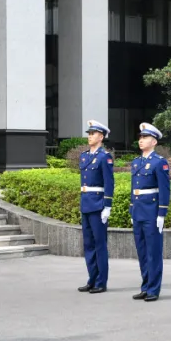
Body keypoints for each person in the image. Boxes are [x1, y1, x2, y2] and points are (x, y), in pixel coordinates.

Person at [130, 123, 171, 302]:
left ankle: (154, 289)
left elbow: (164, 189)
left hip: (151, 211)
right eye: (140, 137)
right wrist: (132, 209)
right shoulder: (136, 162)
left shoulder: (159, 162)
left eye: (145, 137)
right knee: (142, 251)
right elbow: (134, 189)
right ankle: (145, 286)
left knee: (153, 251)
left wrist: (162, 213)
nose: (141, 140)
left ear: (154, 142)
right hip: (138, 211)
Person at [77, 120, 114, 294]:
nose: (90, 136)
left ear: (101, 137)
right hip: (86, 203)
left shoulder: (104, 157)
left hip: (98, 205)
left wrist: (107, 206)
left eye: (93, 134)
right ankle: (92, 278)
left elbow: (109, 182)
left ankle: (101, 281)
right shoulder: (84, 156)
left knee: (99, 245)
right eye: (89, 134)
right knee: (88, 244)